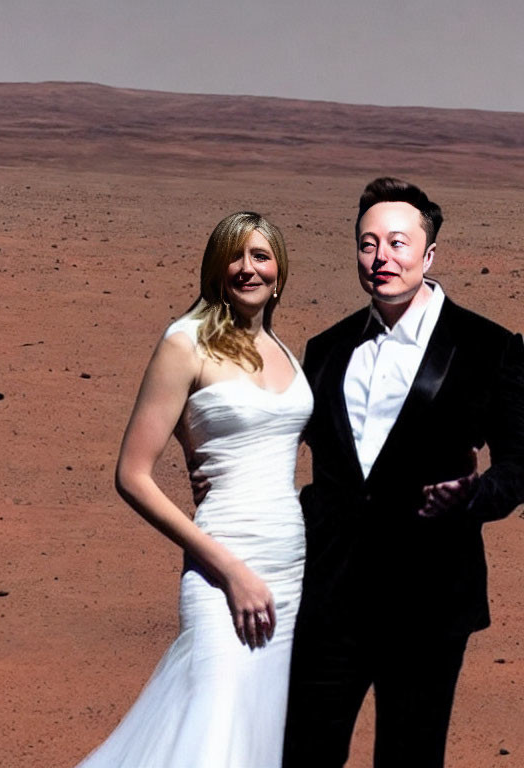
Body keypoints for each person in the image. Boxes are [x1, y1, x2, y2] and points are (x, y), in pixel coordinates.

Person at [281, 177, 524, 768]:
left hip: (429, 598)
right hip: (332, 596)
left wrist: (476, 494)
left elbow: (521, 462)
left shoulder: (487, 346)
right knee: (303, 752)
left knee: (409, 755)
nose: (380, 258)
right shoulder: (327, 348)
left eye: (397, 242)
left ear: (429, 253)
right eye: (368, 244)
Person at [75, 212, 312, 768]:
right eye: (236, 256)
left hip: (292, 574)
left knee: (261, 735)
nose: (248, 268)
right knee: (212, 725)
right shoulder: (186, 344)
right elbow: (131, 475)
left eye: (261, 256)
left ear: (279, 273)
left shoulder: (284, 351)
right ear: (215, 268)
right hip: (221, 571)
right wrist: (230, 571)